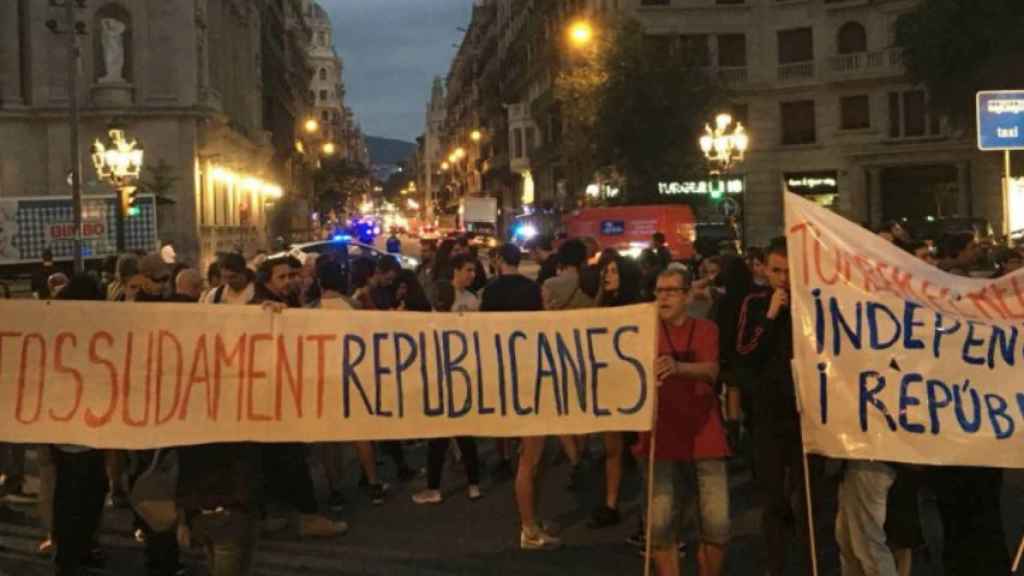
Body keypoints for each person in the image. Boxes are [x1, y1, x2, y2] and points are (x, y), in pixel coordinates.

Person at [737, 239, 826, 576]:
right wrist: (771, 315)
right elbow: (745, 351)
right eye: (776, 271)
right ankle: (776, 566)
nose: (783, 278)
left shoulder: (813, 302)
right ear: (765, 270)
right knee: (774, 498)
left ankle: (809, 563)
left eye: (789, 272)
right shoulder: (755, 302)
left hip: (808, 414)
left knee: (810, 499)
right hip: (768, 416)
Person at [634, 268, 729, 576]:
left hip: (705, 435)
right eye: (659, 290)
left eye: (671, 291)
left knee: (717, 523)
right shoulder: (641, 331)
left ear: (688, 295)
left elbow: (712, 371)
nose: (663, 296)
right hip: (658, 438)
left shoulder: (706, 329)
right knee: (660, 526)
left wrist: (677, 368)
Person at [251, 257, 347, 536]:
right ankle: (306, 515)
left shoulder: (291, 303)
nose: (290, 280)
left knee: (280, 459)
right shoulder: (262, 305)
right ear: (267, 282)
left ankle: (277, 513)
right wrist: (262, 314)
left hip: (286, 394)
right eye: (282, 277)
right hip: (273, 398)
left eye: (293, 275)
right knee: (289, 458)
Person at [49, 275, 110, 576]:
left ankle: (78, 547)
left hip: (86, 428)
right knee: (75, 493)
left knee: (88, 490)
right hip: (72, 431)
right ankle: (69, 553)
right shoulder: (65, 327)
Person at [412, 252, 483, 505]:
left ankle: (440, 487)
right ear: (455, 271)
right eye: (467, 270)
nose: (472, 275)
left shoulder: (472, 299)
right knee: (453, 430)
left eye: (474, 271)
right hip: (444, 369)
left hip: (462, 371)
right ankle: (469, 484)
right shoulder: (442, 296)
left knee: (450, 431)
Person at [589, 252, 642, 530]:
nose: (606, 275)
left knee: (639, 448)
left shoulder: (637, 307)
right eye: (605, 271)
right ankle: (610, 504)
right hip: (611, 384)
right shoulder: (603, 305)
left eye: (612, 271)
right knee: (613, 449)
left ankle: (650, 511)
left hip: (635, 386)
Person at [542, 239, 594, 490]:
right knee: (582, 407)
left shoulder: (551, 284)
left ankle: (574, 459)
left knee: (560, 409)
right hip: (586, 350)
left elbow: (543, 318)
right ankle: (582, 453)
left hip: (558, 352)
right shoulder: (591, 284)